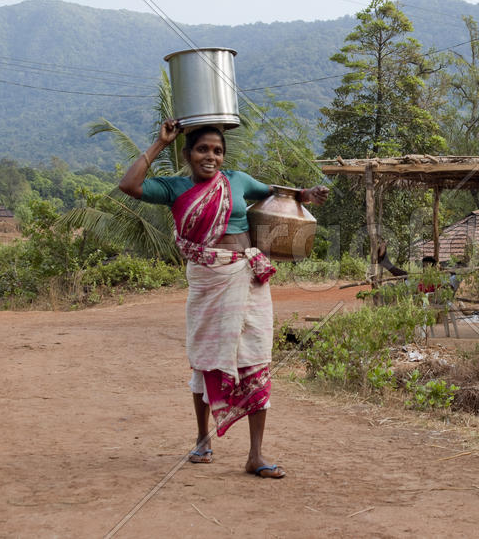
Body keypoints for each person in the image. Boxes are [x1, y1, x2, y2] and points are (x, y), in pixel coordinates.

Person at [119, 120, 328, 478]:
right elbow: (129, 185)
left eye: (217, 150)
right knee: (206, 359)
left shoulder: (239, 180)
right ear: (187, 154)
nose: (210, 157)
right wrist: (159, 142)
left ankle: (256, 455)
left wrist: (307, 194)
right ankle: (203, 439)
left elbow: (281, 194)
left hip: (248, 277)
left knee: (257, 358)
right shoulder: (175, 187)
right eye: (202, 149)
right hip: (207, 280)